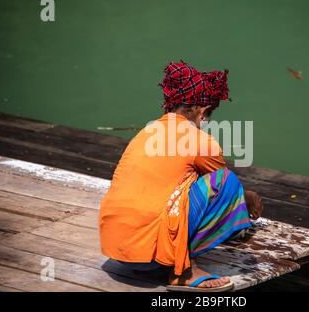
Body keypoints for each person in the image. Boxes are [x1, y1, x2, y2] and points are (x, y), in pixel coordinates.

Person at [99, 61, 264, 292]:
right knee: (226, 182)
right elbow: (220, 185)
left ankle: (169, 256)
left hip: (116, 250)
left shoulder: (146, 132)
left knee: (186, 185)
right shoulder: (200, 141)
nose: (205, 123)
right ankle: (183, 272)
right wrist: (248, 197)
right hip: (148, 258)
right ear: (201, 111)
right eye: (208, 117)